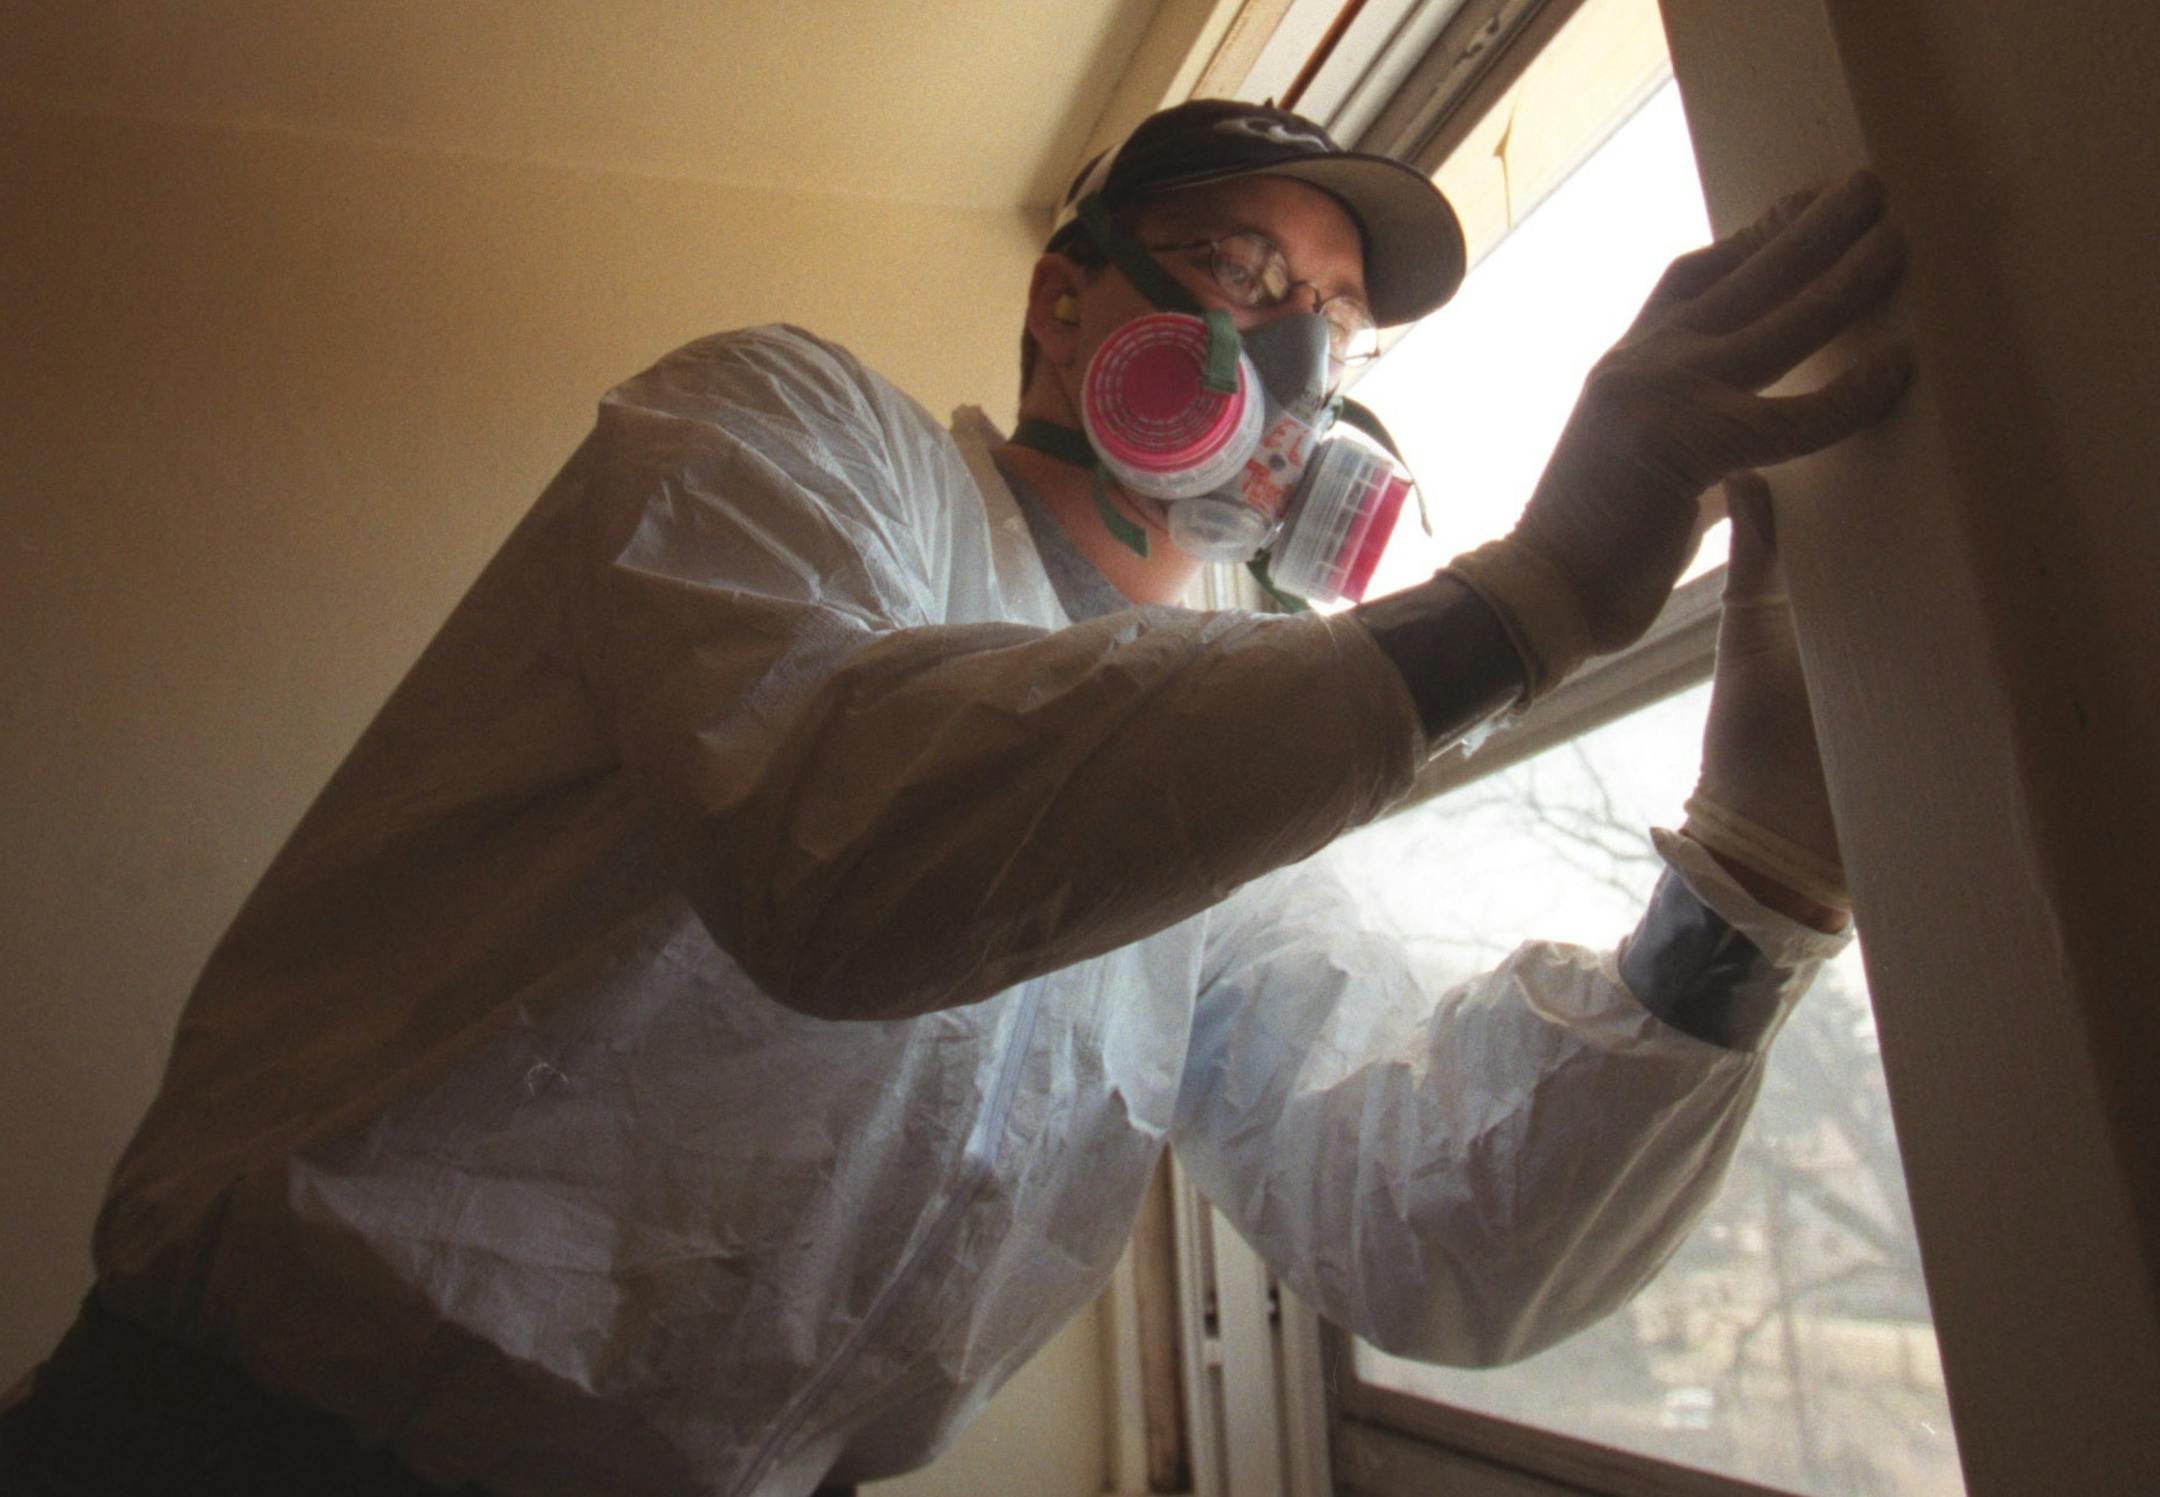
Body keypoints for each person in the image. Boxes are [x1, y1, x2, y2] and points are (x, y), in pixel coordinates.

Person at [0, 100, 1905, 1496]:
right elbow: (841, 847)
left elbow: (1416, 1224)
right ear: (1068, 314)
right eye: (1250, 274)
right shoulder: (780, 434)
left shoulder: (1236, 775)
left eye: (1343, 328)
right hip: (240, 1447)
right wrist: (1528, 605)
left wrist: (1744, 896)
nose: (1302, 368)